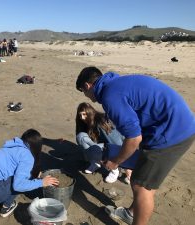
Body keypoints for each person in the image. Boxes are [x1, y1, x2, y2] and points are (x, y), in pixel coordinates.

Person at [76, 66, 195, 225]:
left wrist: (115, 162)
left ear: (87, 86)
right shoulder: (116, 84)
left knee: (142, 187)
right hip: (173, 124)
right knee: (138, 177)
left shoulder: (110, 96)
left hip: (172, 132)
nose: (86, 96)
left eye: (83, 91)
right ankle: (131, 213)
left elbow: (134, 138)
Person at [76, 102, 132, 183]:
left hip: (118, 147)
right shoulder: (87, 123)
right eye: (80, 115)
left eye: (84, 114)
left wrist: (123, 164)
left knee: (95, 148)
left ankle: (115, 170)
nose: (82, 117)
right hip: (104, 146)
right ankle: (96, 162)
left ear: (90, 111)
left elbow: (117, 142)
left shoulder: (101, 121)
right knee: (81, 136)